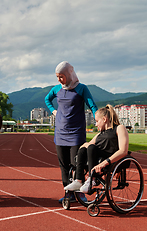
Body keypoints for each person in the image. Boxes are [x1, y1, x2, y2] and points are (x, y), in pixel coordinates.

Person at [45, 61, 98, 203]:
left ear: (69, 74)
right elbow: (47, 99)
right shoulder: (56, 89)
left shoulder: (81, 89)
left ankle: (79, 192)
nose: (59, 79)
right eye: (57, 76)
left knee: (77, 164)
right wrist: (53, 111)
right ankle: (68, 192)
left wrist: (99, 119)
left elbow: (92, 105)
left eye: (61, 76)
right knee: (64, 166)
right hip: (60, 133)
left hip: (76, 133)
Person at [64, 104, 129, 193]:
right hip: (98, 158)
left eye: (97, 121)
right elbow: (89, 144)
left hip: (110, 158)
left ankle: (92, 179)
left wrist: (104, 163)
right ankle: (78, 180)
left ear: (104, 119)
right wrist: (84, 145)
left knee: (91, 147)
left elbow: (123, 151)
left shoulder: (119, 128)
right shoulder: (99, 134)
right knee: (83, 149)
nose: (95, 124)